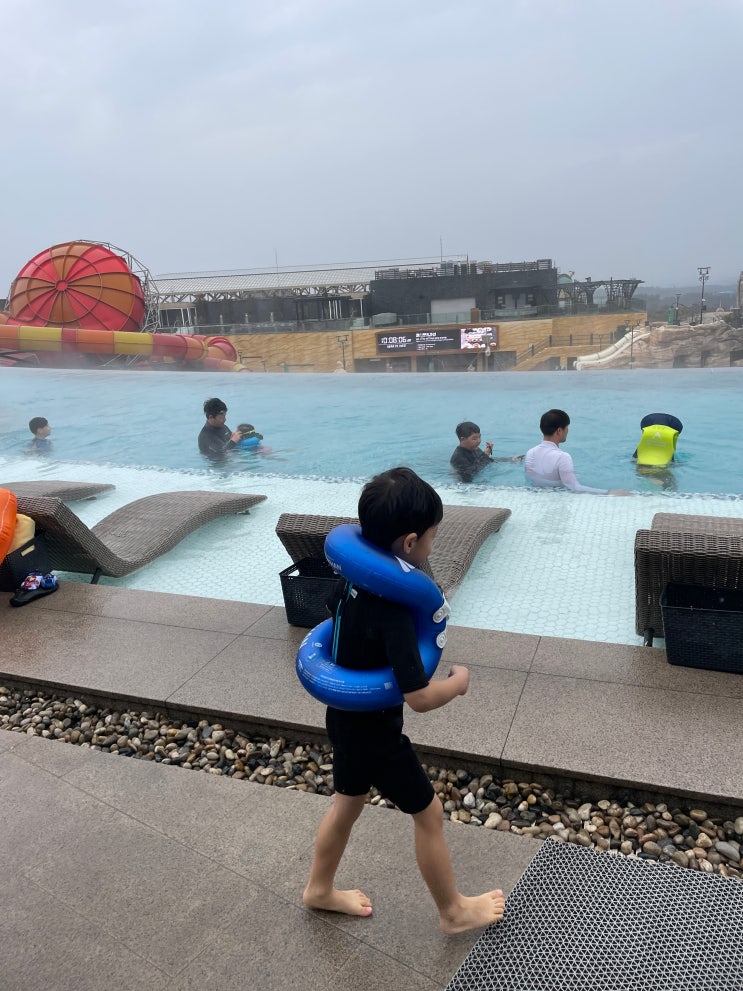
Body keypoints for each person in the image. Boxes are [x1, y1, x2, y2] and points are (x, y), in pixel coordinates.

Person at [302, 466, 505, 934]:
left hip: (344, 720)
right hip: (377, 734)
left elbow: (336, 620)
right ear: (410, 542)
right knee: (428, 814)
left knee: (347, 805)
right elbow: (419, 697)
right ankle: (452, 911)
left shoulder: (349, 583)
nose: (433, 543)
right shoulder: (393, 612)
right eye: (434, 536)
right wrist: (458, 682)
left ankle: (319, 889)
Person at [525, 409, 629, 495]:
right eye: (567, 427)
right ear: (559, 431)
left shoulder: (530, 453)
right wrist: (608, 492)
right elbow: (574, 487)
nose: (567, 431)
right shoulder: (562, 457)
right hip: (557, 498)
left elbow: (532, 480)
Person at [449, 421, 523, 483]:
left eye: (479, 437)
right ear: (463, 439)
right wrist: (486, 454)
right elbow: (470, 473)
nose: (478, 441)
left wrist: (510, 459)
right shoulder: (458, 457)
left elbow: (488, 460)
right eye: (474, 438)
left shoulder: (475, 449)